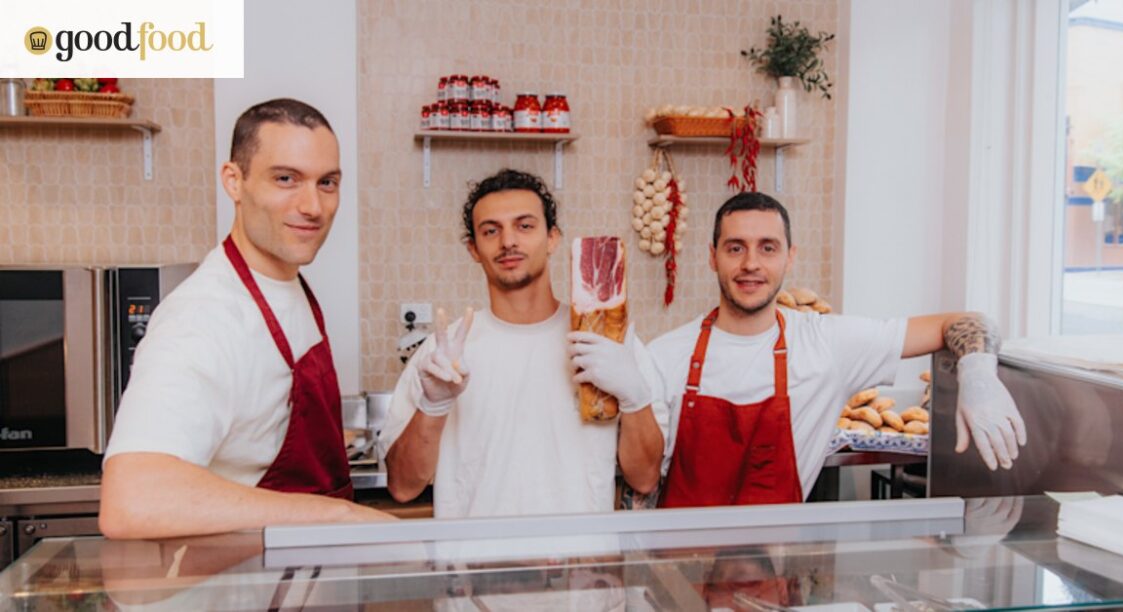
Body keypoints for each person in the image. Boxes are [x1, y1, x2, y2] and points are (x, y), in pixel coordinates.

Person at [100, 98, 390, 539]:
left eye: (327, 182)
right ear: (234, 181)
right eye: (286, 179)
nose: (312, 205)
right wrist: (339, 516)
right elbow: (134, 498)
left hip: (299, 582)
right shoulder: (201, 317)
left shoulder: (288, 285)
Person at [649, 192, 1027, 507]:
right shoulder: (666, 355)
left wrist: (978, 371)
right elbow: (643, 478)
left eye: (768, 248)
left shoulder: (827, 344)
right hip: (679, 572)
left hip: (773, 573)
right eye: (735, 248)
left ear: (789, 257)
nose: (751, 264)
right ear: (712, 256)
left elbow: (965, 321)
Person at [378, 168, 668, 518]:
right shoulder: (444, 356)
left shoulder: (610, 346)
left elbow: (645, 478)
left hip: (582, 567)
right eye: (491, 231)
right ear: (473, 249)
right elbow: (403, 487)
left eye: (525, 226)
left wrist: (635, 398)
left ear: (553, 238)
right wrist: (433, 406)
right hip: (474, 565)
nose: (508, 242)